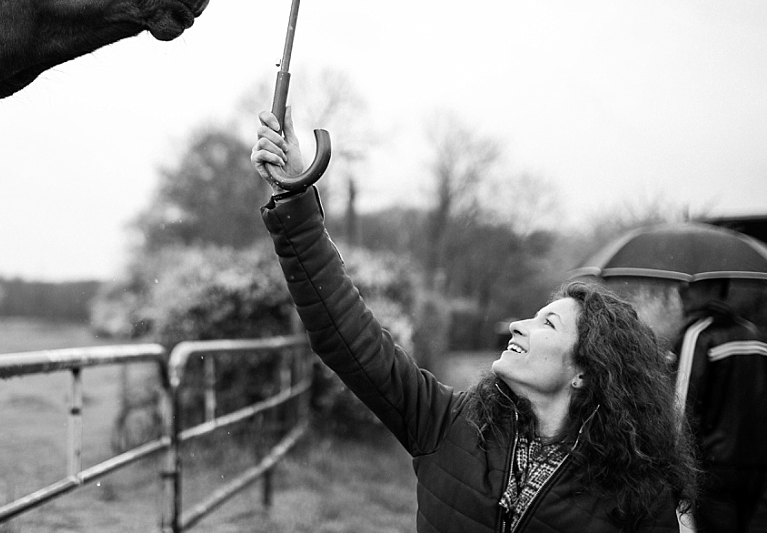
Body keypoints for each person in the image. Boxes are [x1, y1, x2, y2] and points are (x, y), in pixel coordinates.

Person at [251, 109, 697, 533]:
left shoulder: (637, 493)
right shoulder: (448, 423)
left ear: (584, 371)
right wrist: (294, 195)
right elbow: (344, 331)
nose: (520, 326)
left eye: (549, 325)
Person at [673, 279, 767, 532]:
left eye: (689, 283)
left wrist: (672, 463)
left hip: (711, 469)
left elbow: (681, 407)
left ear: (714, 286)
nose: (681, 290)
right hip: (756, 468)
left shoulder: (698, 335)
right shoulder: (755, 335)